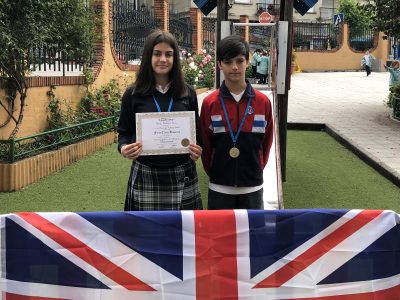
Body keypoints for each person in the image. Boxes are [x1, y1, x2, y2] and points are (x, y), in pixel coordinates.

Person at [117, 29, 203, 211]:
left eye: (168, 54)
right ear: (148, 56)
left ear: (175, 59)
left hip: (183, 174)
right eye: (157, 54)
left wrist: (198, 149)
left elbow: (198, 134)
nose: (163, 59)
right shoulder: (133, 94)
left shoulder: (188, 93)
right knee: (145, 237)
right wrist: (124, 148)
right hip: (145, 175)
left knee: (183, 236)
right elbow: (123, 133)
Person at [200, 35, 274, 210]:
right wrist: (215, 170)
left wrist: (255, 167)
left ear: (247, 62)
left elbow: (267, 142)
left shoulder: (263, 102)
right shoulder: (210, 102)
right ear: (219, 64)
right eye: (228, 61)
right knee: (218, 237)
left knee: (252, 237)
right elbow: (205, 143)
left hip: (253, 186)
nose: (234, 67)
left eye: (240, 61)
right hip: (219, 186)